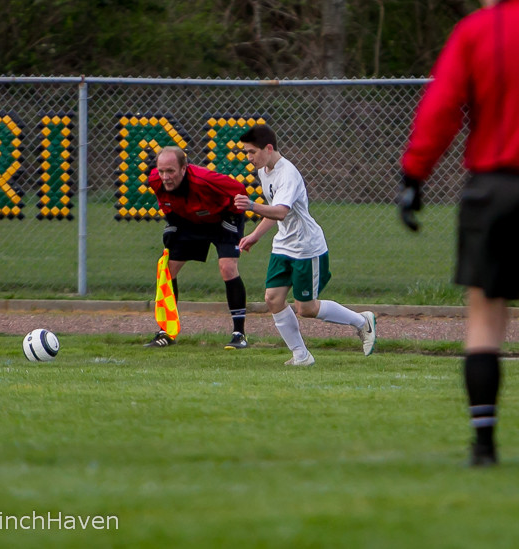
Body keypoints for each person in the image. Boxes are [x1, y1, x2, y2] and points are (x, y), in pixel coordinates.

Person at [399, 0, 519, 467]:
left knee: (485, 319)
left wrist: (413, 175)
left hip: (493, 189)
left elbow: (443, 106)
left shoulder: (477, 30)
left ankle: (484, 445)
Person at [233, 125, 376, 365]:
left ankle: (362, 322)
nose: (249, 158)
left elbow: (280, 211)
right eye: (246, 152)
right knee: (273, 299)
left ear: (268, 148)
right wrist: (256, 235)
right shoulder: (265, 170)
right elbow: (275, 211)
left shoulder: (287, 173)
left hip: (306, 247)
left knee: (306, 308)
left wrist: (251, 206)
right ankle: (301, 355)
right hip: (283, 246)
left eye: (252, 152)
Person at [144, 146, 251, 349]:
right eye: (162, 171)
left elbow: (239, 190)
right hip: (191, 220)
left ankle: (239, 334)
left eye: (171, 171)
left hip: (222, 218)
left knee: (227, 268)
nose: (165, 177)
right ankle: (167, 331)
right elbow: (166, 202)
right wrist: (172, 221)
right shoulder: (155, 181)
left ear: (184, 168)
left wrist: (233, 219)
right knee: (167, 269)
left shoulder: (204, 179)